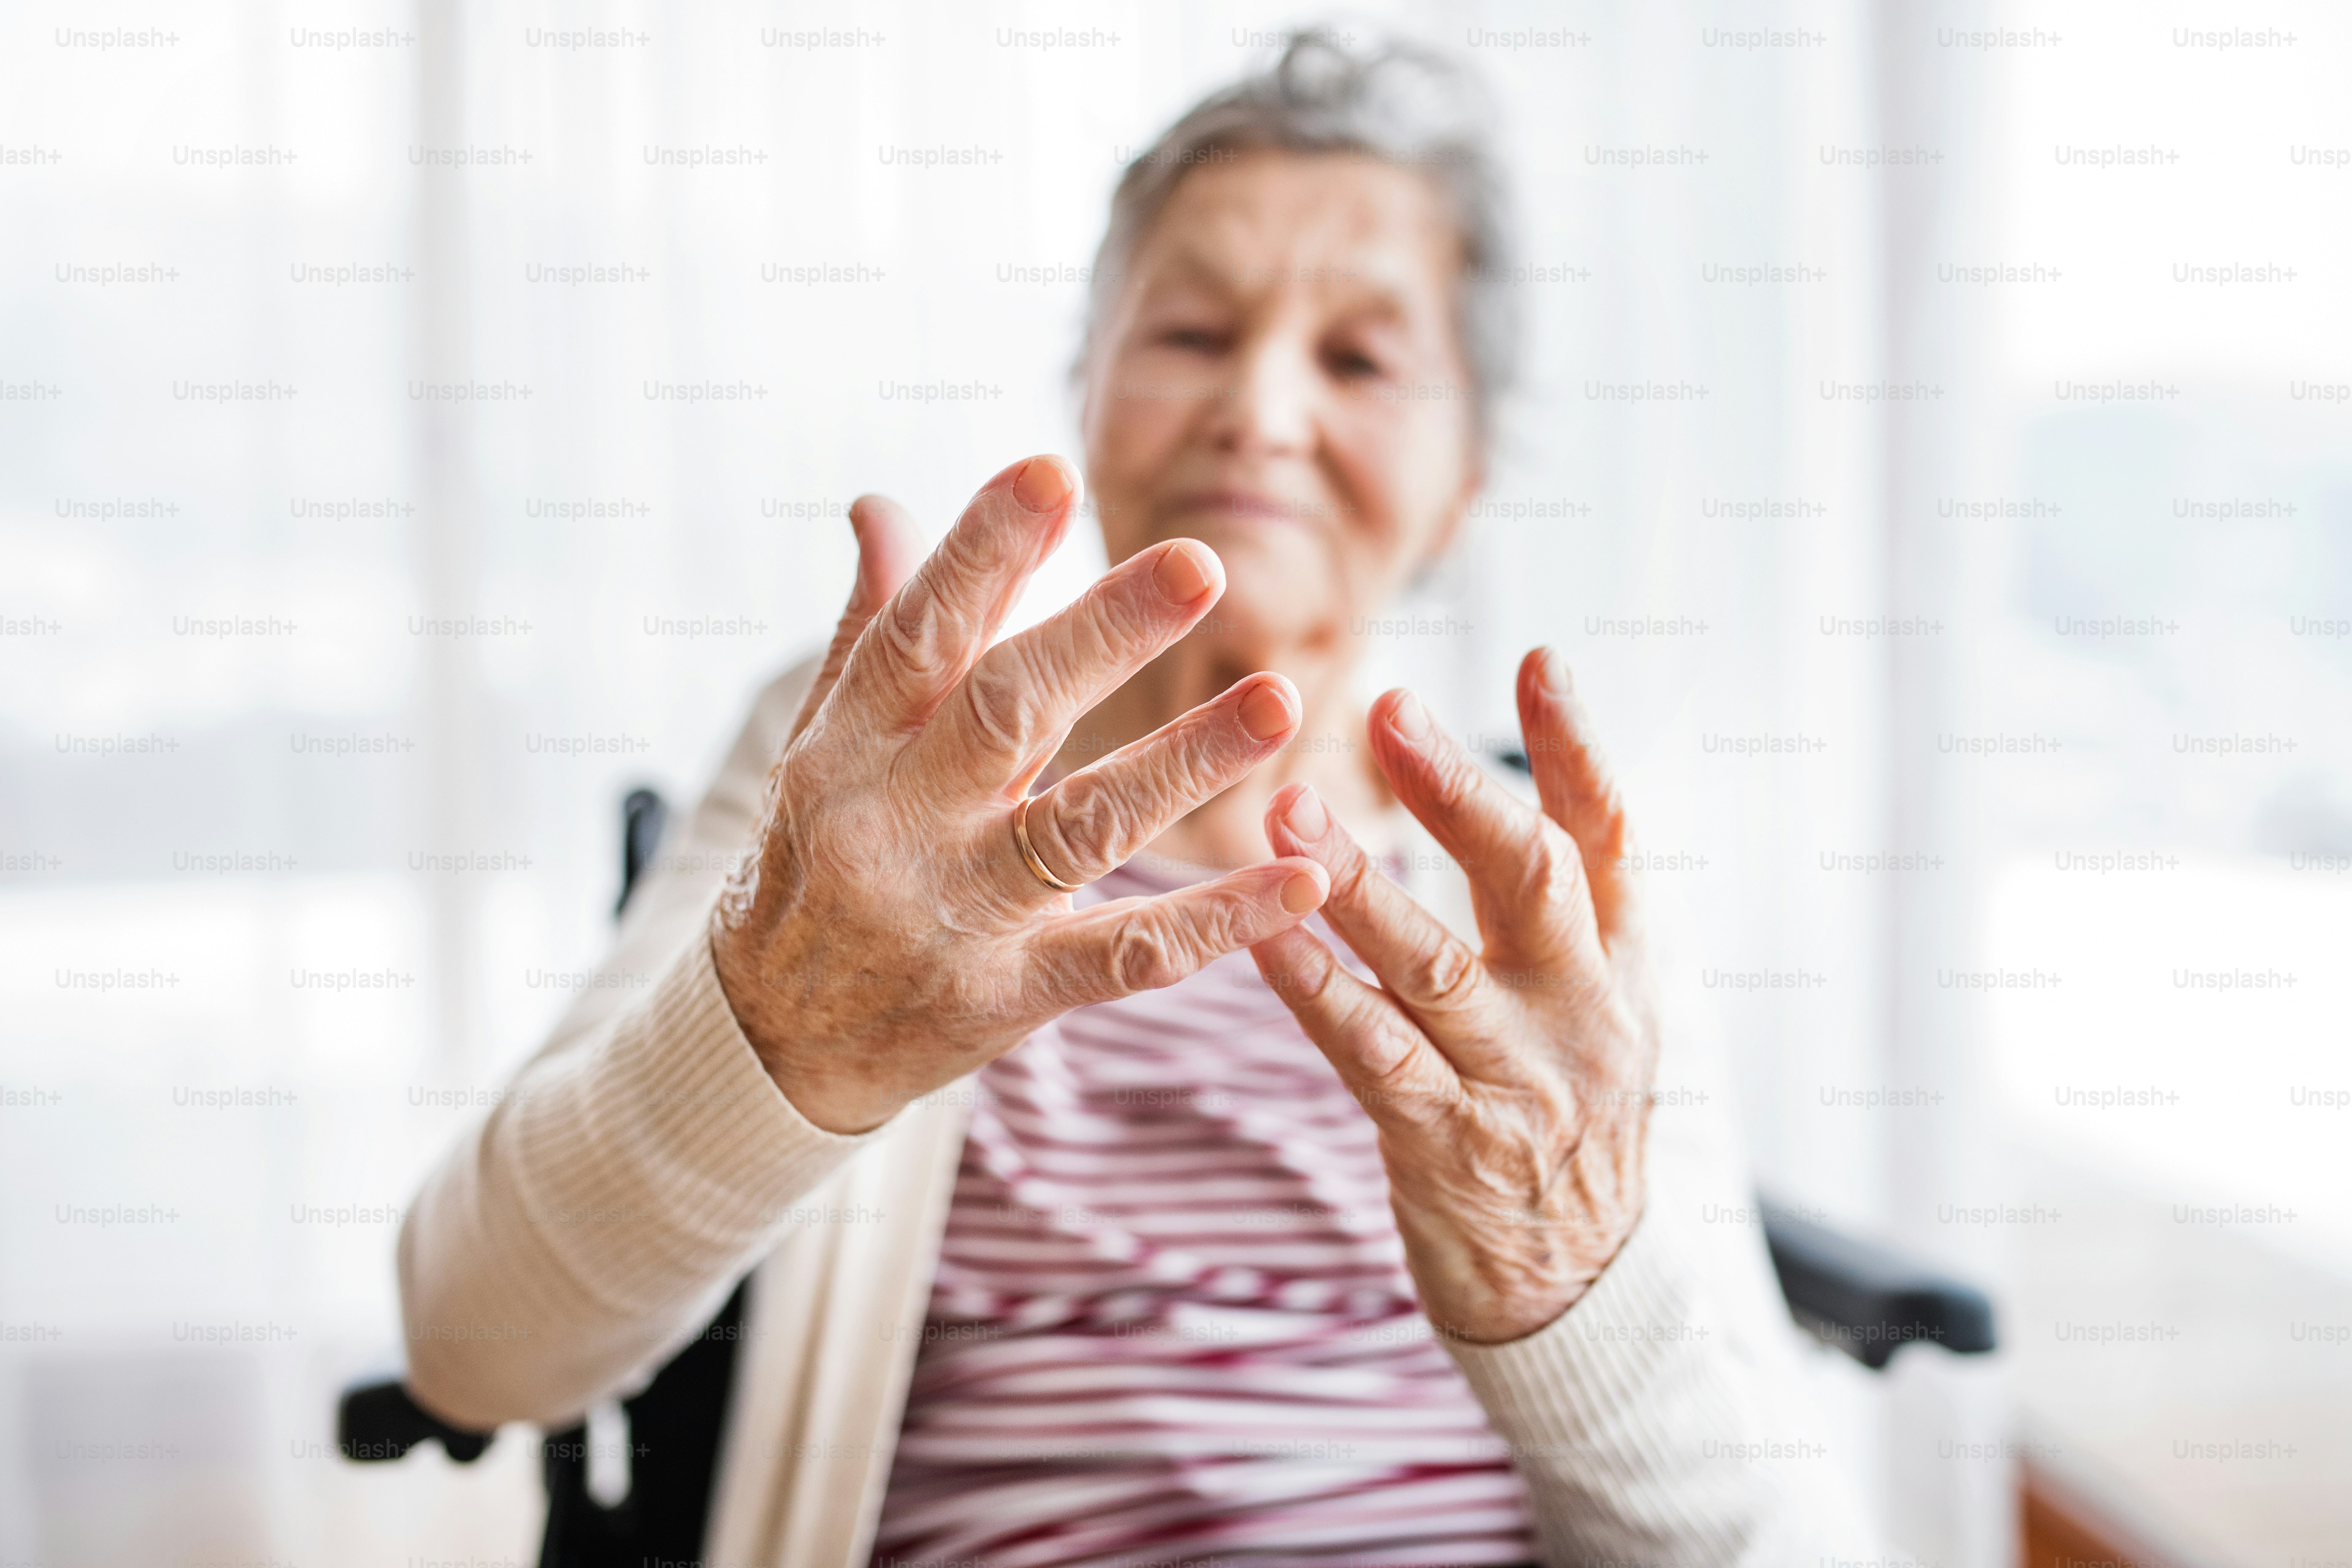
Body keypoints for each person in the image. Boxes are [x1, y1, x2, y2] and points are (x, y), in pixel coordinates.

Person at [400, 33, 1878, 1568]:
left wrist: (1565, 1275)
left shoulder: (1545, 893)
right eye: (1189, 330)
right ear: (1088, 386)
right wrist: (780, 1033)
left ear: (1466, 478)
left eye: (1361, 359)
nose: (1261, 407)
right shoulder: (865, 774)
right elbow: (471, 1345)